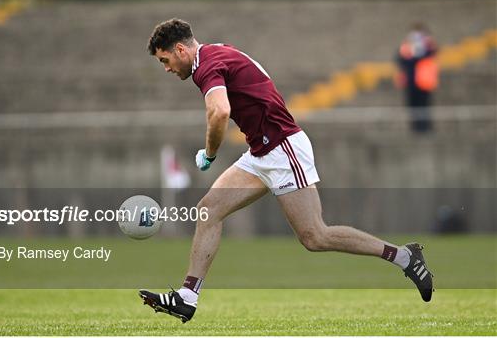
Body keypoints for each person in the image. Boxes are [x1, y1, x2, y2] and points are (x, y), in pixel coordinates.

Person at [140, 18, 434, 323]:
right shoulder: (216, 52)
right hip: (260, 152)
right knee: (208, 211)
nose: (166, 68)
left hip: (283, 149)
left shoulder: (205, 66)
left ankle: (404, 257)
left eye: (165, 60)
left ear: (180, 49)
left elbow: (220, 111)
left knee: (315, 236)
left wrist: (210, 154)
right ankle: (188, 297)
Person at [396, 23, 439, 133]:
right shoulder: (407, 46)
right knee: (413, 105)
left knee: (424, 105)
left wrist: (424, 47)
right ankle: (415, 128)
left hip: (424, 81)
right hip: (411, 82)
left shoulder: (428, 46)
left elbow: (433, 53)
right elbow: (400, 59)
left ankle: (424, 127)